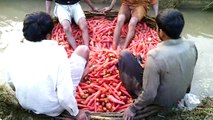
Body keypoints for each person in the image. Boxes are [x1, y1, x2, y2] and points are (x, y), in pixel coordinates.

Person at [4, 12, 89, 120]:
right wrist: (76, 113)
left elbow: (10, 83)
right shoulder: (57, 52)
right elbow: (64, 95)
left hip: (24, 103)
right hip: (51, 108)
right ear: (48, 36)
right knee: (83, 50)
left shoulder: (13, 50)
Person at [116, 8, 198, 119]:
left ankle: (142, 100)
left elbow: (149, 95)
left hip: (159, 101)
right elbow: (190, 74)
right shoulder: (192, 45)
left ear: (161, 32)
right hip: (181, 94)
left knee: (125, 56)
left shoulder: (154, 56)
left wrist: (133, 108)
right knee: (140, 61)